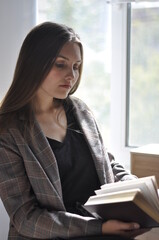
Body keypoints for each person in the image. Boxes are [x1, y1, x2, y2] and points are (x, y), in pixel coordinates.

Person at [0, 22, 147, 240]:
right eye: (61, 64)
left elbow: (106, 163)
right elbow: (25, 218)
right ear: (34, 63)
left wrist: (137, 190)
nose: (71, 75)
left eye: (76, 66)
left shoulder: (79, 110)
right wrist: (99, 227)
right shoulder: (9, 132)